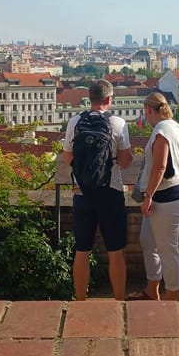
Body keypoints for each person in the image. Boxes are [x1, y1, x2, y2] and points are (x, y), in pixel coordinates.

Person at [62, 80, 134, 301]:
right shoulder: (118, 123)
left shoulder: (75, 122)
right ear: (109, 99)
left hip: (82, 193)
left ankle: (81, 301)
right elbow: (125, 161)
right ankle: (119, 300)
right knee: (115, 251)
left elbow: (68, 157)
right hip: (110, 192)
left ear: (89, 98)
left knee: (82, 250)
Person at [128, 92, 179, 301]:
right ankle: (151, 289)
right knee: (148, 240)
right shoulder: (174, 125)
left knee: (167, 250)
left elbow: (160, 166)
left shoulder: (161, 130)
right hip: (169, 193)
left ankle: (171, 296)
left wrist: (148, 196)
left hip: (167, 196)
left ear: (148, 110)